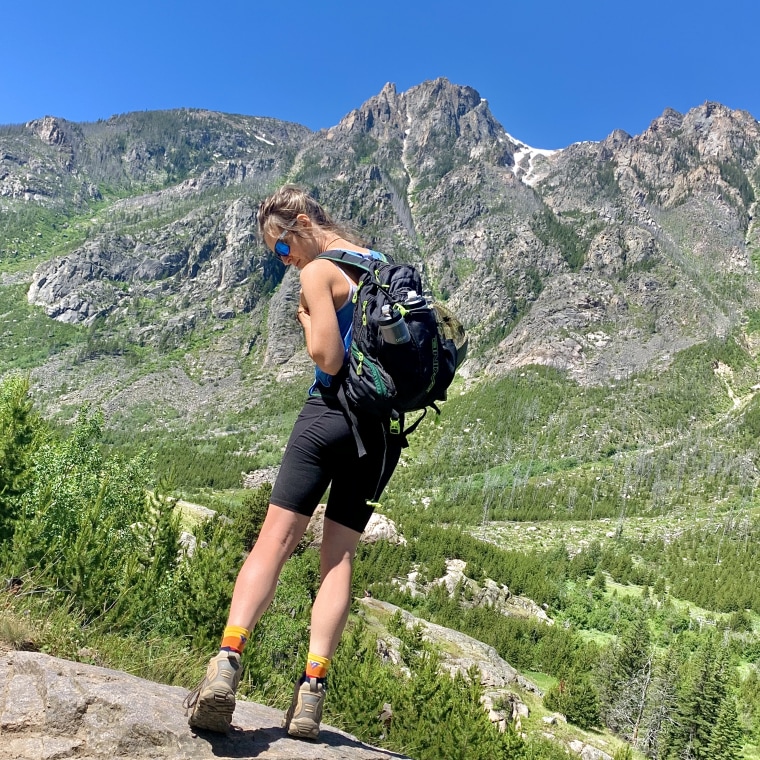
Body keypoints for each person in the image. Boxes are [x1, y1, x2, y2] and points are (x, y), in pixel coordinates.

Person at [184, 184, 403, 739]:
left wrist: (308, 320)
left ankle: (227, 663)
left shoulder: (319, 271)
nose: (285, 262)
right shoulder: (379, 266)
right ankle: (311, 693)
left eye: (282, 249)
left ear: (302, 223)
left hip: (327, 415)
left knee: (274, 542)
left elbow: (328, 360)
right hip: (377, 434)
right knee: (339, 559)